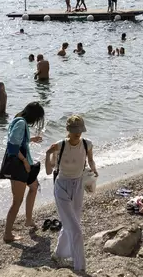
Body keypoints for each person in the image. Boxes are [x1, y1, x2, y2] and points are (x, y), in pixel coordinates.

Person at [46, 115, 98, 274]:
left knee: (72, 221)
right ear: (68, 130)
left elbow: (90, 161)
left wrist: (94, 171)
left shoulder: (87, 144)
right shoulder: (60, 145)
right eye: (74, 130)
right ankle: (80, 267)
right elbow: (49, 169)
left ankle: (59, 254)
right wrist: (48, 154)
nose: (78, 134)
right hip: (61, 186)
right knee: (76, 229)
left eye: (80, 130)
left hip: (78, 185)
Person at [0, 102, 45, 243]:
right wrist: (25, 162)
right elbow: (12, 145)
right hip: (19, 166)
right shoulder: (20, 123)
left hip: (25, 164)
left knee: (34, 187)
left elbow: (17, 141)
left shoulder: (19, 119)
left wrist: (30, 139)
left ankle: (29, 220)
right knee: (17, 201)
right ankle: (7, 234)